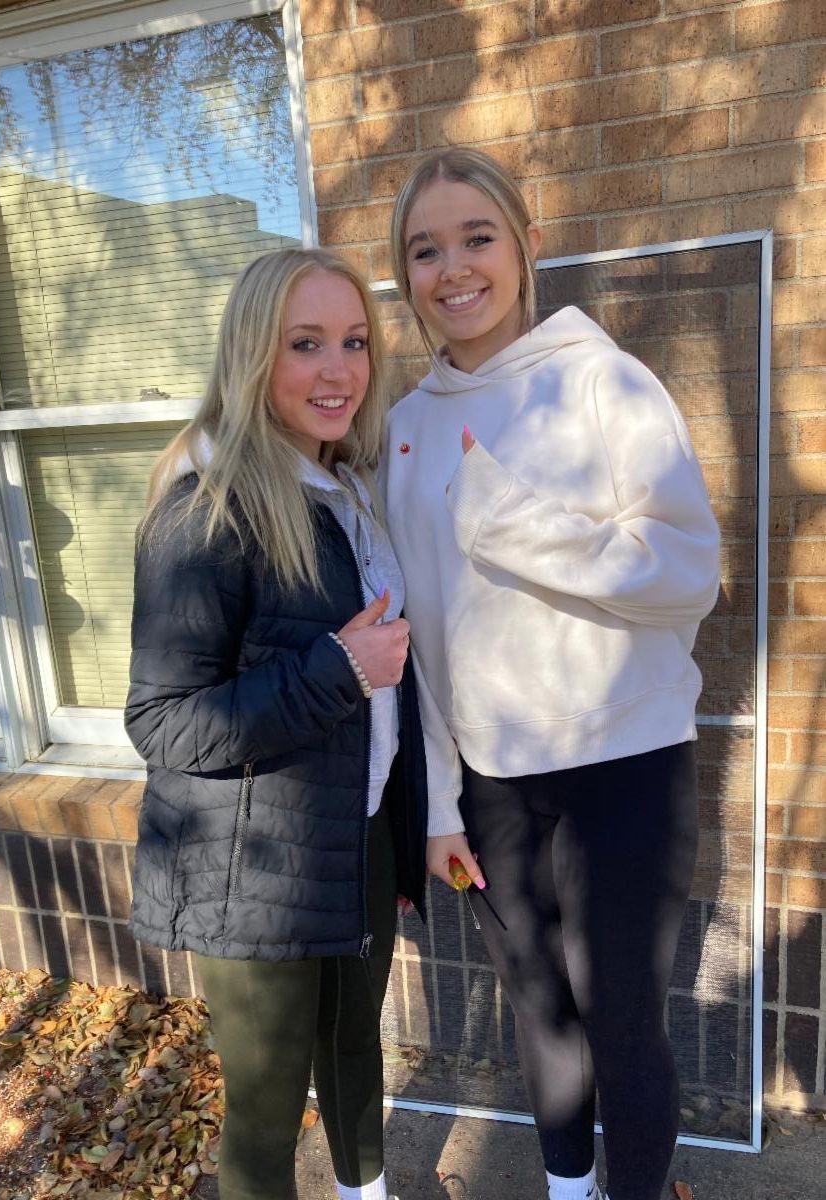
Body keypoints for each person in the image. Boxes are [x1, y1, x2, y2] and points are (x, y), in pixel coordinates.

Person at [383, 148, 721, 1200]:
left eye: (477, 237)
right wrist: (441, 805)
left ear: (526, 246)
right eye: (425, 249)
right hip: (493, 787)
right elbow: (424, 644)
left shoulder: (604, 381)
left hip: (627, 766)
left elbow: (689, 573)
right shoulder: (404, 430)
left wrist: (516, 525)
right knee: (540, 1011)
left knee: (622, 1020)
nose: (453, 268)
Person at [125, 246, 427, 1200]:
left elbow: (393, 694)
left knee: (355, 1055)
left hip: (356, 839)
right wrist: (337, 669)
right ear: (254, 354)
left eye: (354, 342)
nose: (338, 371)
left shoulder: (349, 495)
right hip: (247, 876)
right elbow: (164, 722)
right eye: (306, 344)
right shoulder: (207, 510)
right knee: (264, 1118)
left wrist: (398, 838)